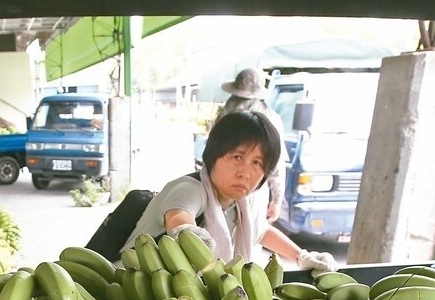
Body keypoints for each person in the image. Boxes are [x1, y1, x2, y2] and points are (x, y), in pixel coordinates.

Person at [125, 109, 338, 272]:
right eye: (237, 157)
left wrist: (302, 256)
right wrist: (186, 231)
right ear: (214, 155)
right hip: (131, 286)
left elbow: (261, 231)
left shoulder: (242, 203)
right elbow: (178, 213)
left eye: (257, 163)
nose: (245, 172)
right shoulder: (191, 188)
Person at [217, 67, 290, 223]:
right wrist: (277, 200)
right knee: (249, 236)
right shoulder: (272, 119)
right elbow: (276, 165)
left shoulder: (227, 114)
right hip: (253, 191)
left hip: (222, 190)